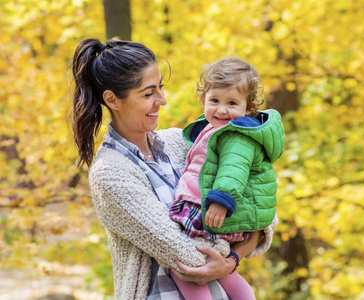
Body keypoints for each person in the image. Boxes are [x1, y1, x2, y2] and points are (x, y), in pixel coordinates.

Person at [70, 38, 278, 300]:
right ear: (112, 99)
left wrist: (232, 259)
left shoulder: (181, 142)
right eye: (148, 93)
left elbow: (265, 213)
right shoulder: (111, 173)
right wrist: (233, 250)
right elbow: (183, 254)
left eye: (160, 88)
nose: (163, 100)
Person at [169, 57, 285, 300]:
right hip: (207, 209)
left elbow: (234, 170)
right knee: (222, 272)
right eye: (214, 101)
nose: (221, 109)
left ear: (249, 107)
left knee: (183, 266)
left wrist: (221, 200)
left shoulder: (236, 135)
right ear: (202, 99)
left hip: (208, 212)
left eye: (232, 103)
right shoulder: (213, 129)